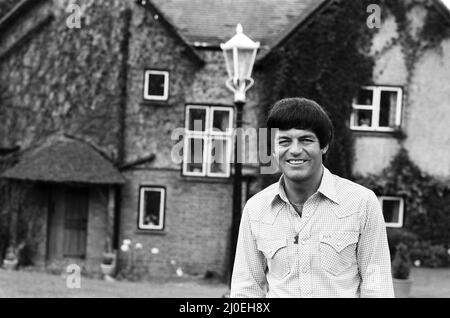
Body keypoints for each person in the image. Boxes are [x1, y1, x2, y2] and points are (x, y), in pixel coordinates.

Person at [230, 97, 394, 298]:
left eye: (306, 140)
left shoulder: (362, 203)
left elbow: (377, 286)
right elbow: (246, 289)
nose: (295, 150)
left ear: (324, 146)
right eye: (284, 141)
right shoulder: (256, 209)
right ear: (273, 150)